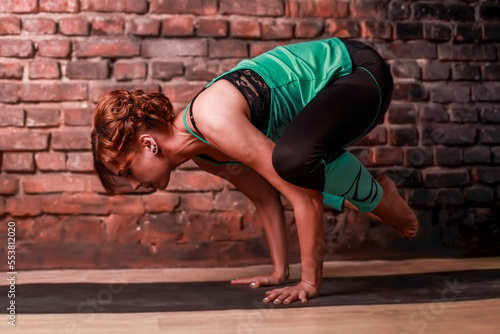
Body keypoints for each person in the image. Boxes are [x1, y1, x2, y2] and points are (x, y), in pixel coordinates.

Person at [91, 37, 419, 305]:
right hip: (338, 95)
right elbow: (265, 198)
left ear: (148, 144)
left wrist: (307, 283)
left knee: (293, 165)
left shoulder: (212, 119)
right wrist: (280, 273)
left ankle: (381, 199)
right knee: (292, 165)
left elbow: (302, 197)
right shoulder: (206, 155)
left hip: (359, 73)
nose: (134, 186)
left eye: (128, 171)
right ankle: (371, 198)